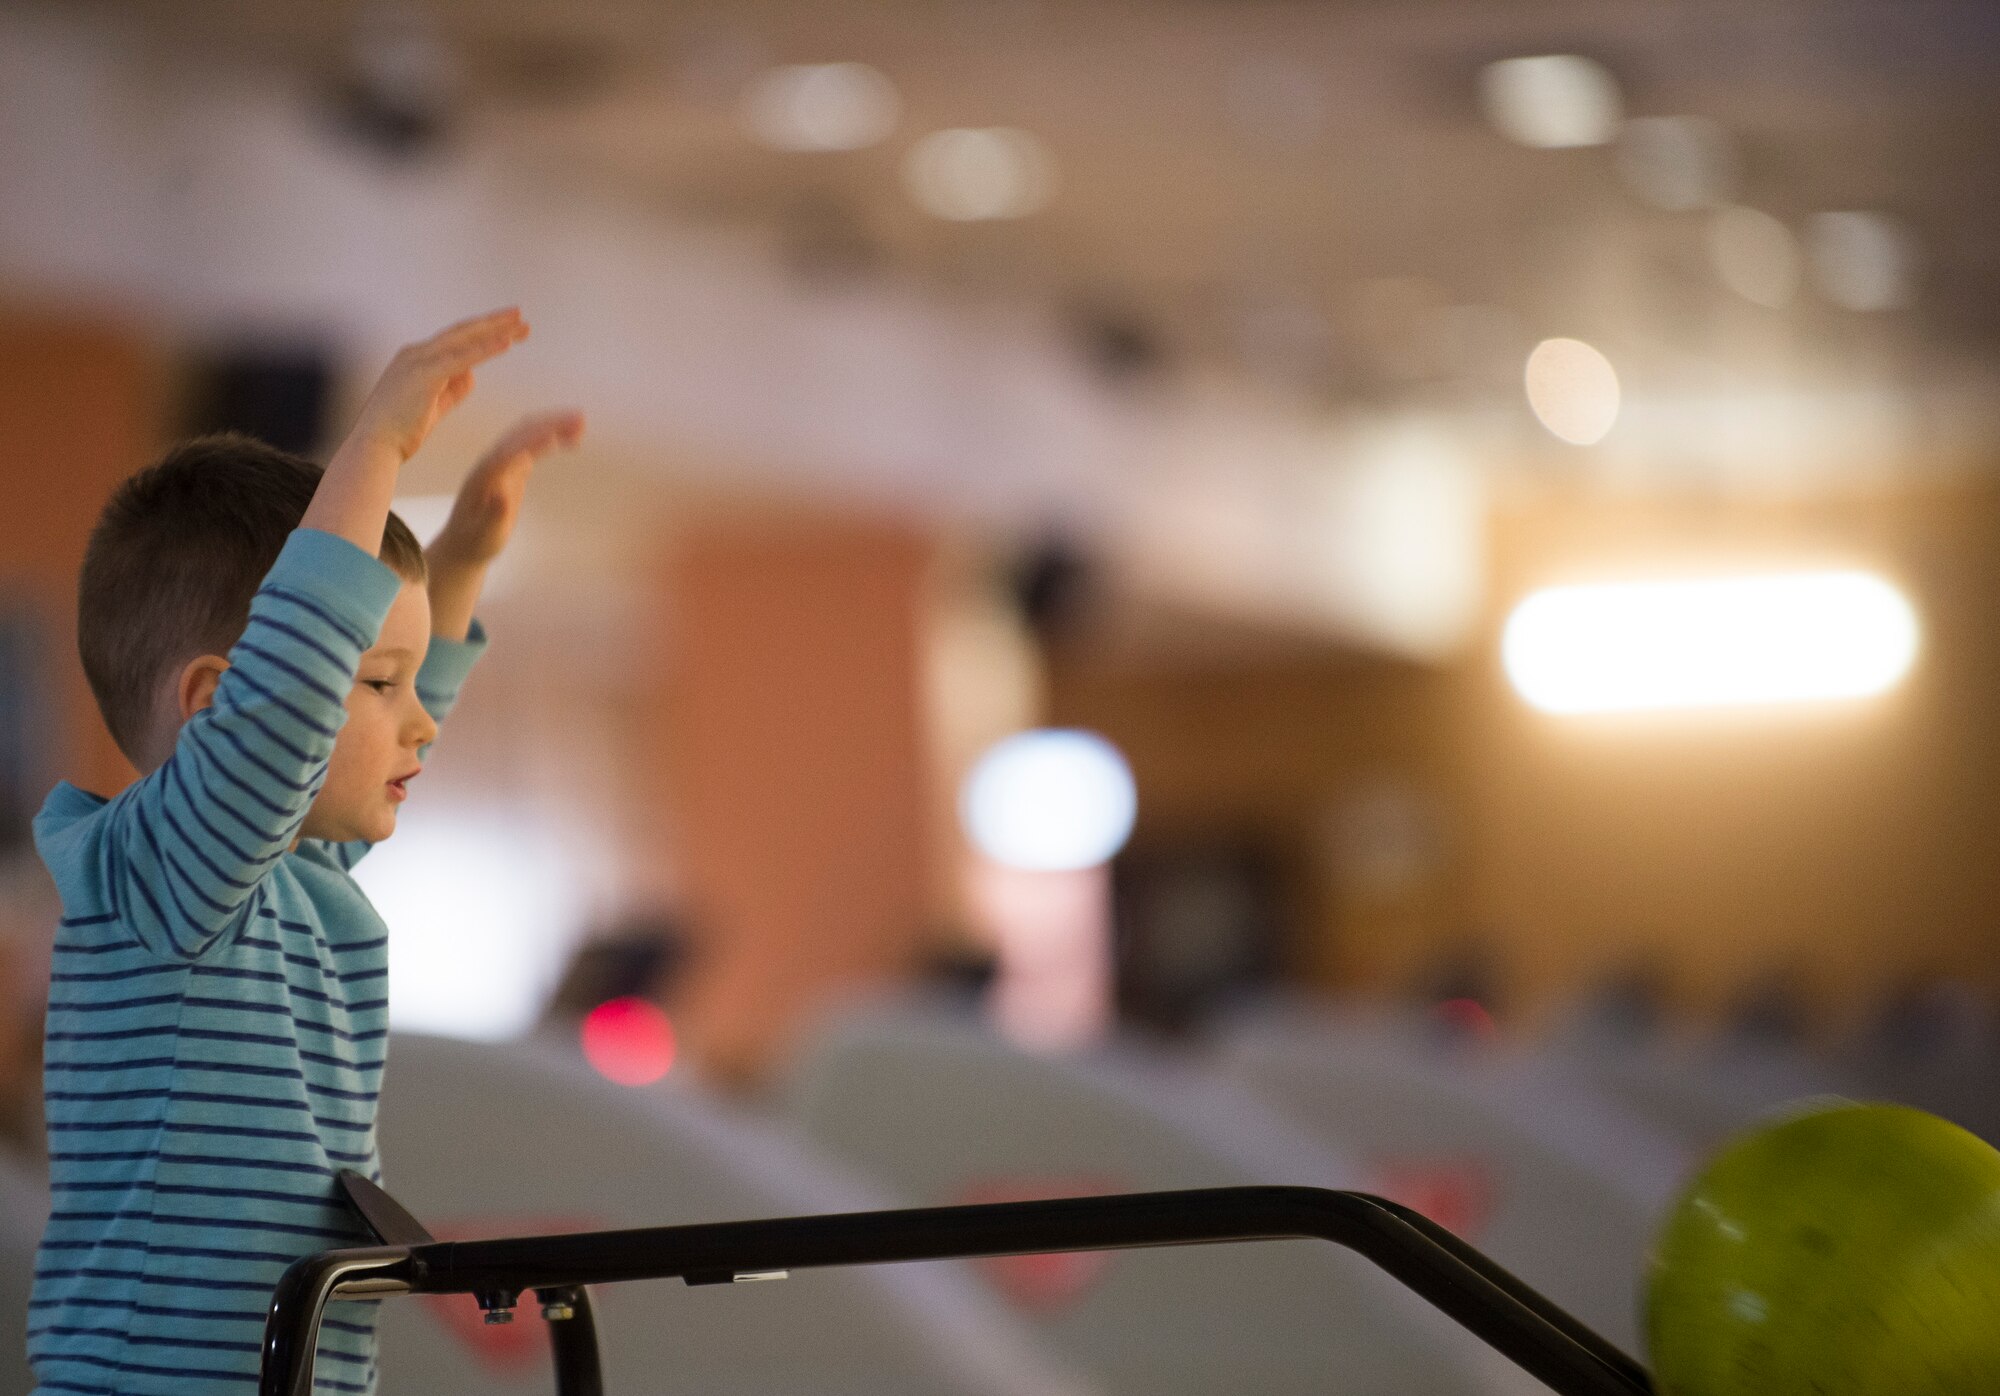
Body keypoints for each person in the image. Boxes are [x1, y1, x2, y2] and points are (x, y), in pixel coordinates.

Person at [26, 307, 582, 1396]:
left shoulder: (294, 885)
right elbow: (294, 714)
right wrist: (373, 445)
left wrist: (459, 562)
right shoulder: (161, 877)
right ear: (221, 710)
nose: (419, 721)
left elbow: (349, 742)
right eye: (377, 681)